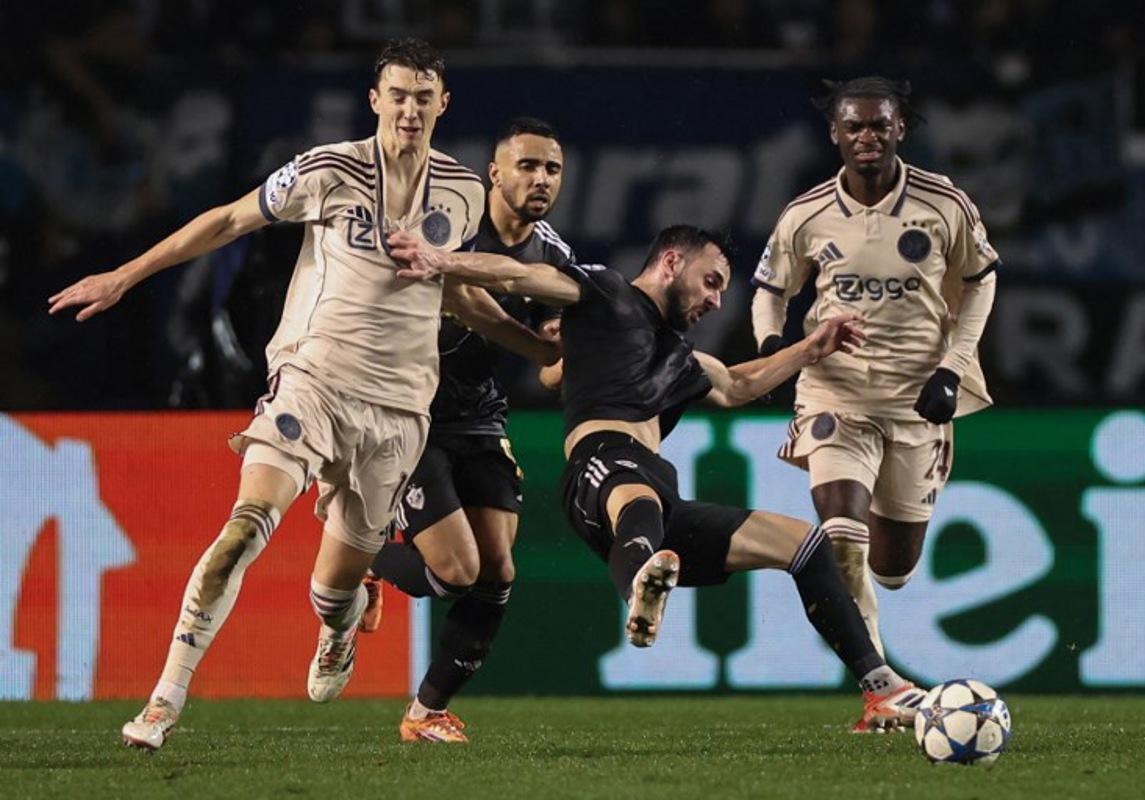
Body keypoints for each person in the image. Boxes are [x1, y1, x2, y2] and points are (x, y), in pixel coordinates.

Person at [48, 37, 486, 751]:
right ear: (376, 99)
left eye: (423, 95)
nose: (409, 108)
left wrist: (535, 337)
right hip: (312, 379)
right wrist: (123, 278)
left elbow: (461, 288)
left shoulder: (464, 192)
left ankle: (339, 622)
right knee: (244, 528)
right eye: (397, 94)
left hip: (401, 410)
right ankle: (163, 700)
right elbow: (226, 220)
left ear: (444, 103)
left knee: (335, 583)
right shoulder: (328, 169)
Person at [387, 224, 927, 732]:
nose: (716, 300)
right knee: (636, 498)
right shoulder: (603, 292)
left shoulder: (681, 357)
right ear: (671, 262)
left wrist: (811, 348)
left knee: (804, 545)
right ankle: (639, 586)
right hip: (598, 467)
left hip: (656, 494)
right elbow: (517, 275)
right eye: (710, 282)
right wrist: (439, 258)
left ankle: (880, 689)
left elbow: (739, 385)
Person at [750, 77, 998, 660]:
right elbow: (769, 291)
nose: (867, 137)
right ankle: (879, 683)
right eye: (854, 126)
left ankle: (878, 647)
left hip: (918, 397)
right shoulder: (805, 214)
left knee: (892, 569)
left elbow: (980, 285)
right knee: (841, 537)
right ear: (834, 132)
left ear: (900, 129)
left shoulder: (944, 204)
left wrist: (952, 370)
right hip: (836, 393)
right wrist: (771, 348)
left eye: (879, 125)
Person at [359, 117, 572, 743]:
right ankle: (360, 547)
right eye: (527, 166)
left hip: (480, 415)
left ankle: (425, 712)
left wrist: (563, 348)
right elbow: (455, 296)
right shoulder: (447, 221)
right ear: (495, 174)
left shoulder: (553, 257)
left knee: (498, 572)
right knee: (455, 572)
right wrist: (536, 343)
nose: (540, 179)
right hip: (410, 408)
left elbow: (553, 372)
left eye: (552, 169)